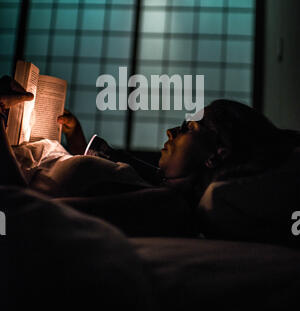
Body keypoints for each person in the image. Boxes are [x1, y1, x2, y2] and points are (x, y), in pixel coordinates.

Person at [1, 75, 300, 237]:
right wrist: (75, 135)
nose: (171, 131)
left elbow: (30, 213)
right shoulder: (159, 182)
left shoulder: (169, 204)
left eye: (188, 128)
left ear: (216, 154)